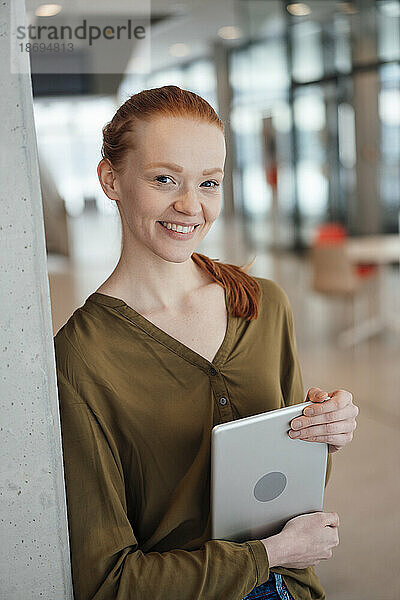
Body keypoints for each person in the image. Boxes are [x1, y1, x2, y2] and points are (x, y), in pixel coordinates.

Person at [53, 85, 359, 600]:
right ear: (111, 179)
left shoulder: (261, 305)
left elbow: (287, 482)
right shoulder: (80, 360)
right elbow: (108, 582)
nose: (190, 206)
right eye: (163, 178)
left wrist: (324, 433)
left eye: (209, 183)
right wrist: (267, 556)